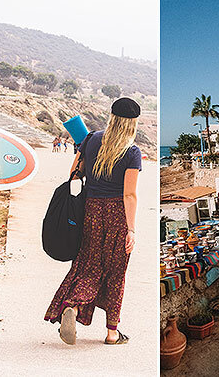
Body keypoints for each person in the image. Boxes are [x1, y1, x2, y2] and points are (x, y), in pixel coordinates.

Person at [44, 97, 142, 346]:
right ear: (132, 124)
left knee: (88, 265)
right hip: (117, 215)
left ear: (111, 117)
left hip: (90, 211)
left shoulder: (91, 139)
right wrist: (131, 229)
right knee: (116, 272)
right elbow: (129, 194)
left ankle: (73, 307)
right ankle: (112, 332)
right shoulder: (132, 152)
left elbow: (74, 173)